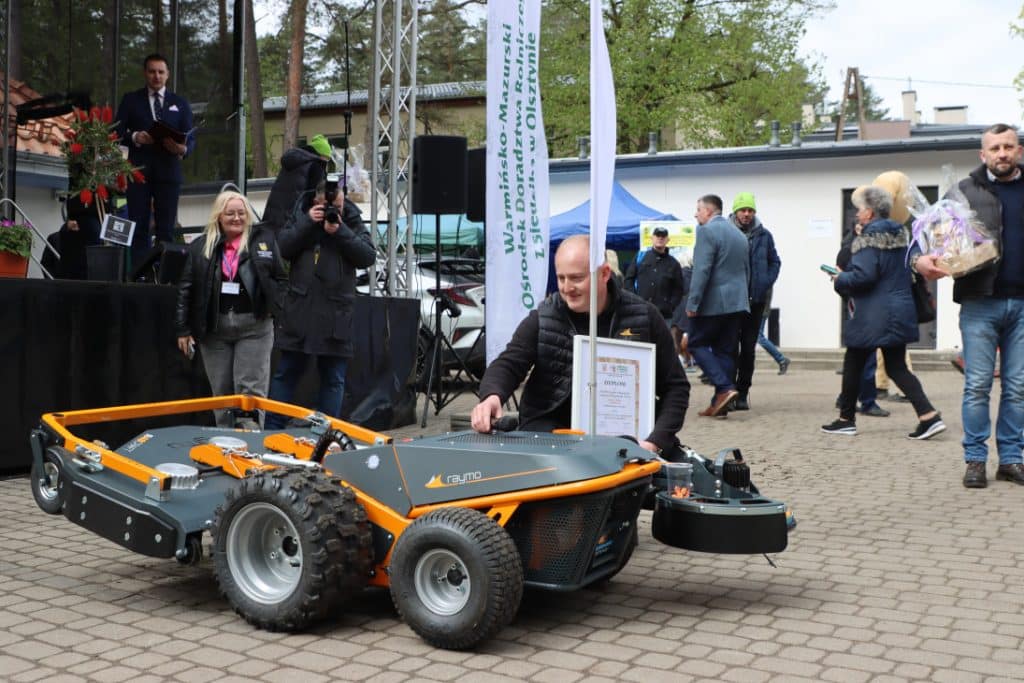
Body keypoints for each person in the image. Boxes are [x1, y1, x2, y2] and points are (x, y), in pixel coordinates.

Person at [470, 235, 689, 455]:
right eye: (561, 278)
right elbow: (510, 362)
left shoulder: (645, 316)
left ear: (604, 273)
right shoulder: (545, 316)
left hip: (629, 445)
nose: (567, 288)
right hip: (550, 439)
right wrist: (492, 396)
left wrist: (655, 441)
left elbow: (676, 387)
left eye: (576, 278)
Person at [914, 123, 1024, 488]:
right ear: (983, 154)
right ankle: (975, 460)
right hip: (980, 303)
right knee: (977, 385)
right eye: (995, 148)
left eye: (1008, 146)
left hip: (1023, 306)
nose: (1002, 153)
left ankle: (1011, 459)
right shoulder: (962, 191)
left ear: (1019, 150)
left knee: (1018, 388)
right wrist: (920, 260)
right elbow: (928, 235)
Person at [822, 185, 944, 439]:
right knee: (896, 366)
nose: (857, 214)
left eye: (859, 209)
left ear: (869, 212)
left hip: (873, 314)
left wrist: (840, 278)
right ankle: (928, 416)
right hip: (898, 310)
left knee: (854, 362)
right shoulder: (902, 234)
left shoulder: (868, 239)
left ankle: (846, 419)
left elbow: (864, 276)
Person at [265, 179, 377, 428]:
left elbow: (368, 256)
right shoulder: (301, 213)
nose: (335, 209)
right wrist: (307, 222)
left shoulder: (351, 219)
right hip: (300, 311)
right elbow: (282, 247)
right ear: (316, 201)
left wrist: (340, 231)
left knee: (333, 378)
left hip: (336, 315)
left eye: (339, 205)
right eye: (328, 206)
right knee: (286, 373)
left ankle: (325, 433)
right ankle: (271, 430)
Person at [175, 191, 285, 428]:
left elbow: (281, 279)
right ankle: (228, 442)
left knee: (250, 394)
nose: (237, 218)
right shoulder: (200, 246)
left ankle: (250, 441)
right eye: (230, 213)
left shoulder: (263, 241)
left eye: (241, 213)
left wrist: (274, 308)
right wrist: (183, 329)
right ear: (219, 216)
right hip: (214, 330)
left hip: (254, 328)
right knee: (222, 395)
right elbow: (186, 288)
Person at [116, 53, 195, 269]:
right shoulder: (131, 100)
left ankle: (163, 276)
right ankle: (140, 275)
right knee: (139, 227)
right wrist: (135, 137)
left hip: (168, 173)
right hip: (139, 173)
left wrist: (182, 149)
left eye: (161, 72)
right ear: (145, 73)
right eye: (152, 71)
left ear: (168, 74)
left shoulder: (179, 103)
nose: (156, 76)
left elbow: (190, 137)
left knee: (166, 229)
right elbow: (116, 131)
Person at [686, 194, 750, 417]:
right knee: (725, 351)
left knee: (696, 344)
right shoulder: (739, 234)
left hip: (713, 302)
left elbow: (701, 270)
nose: (696, 214)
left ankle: (724, 388)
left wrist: (693, 302)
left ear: (708, 211)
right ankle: (720, 404)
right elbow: (746, 271)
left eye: (698, 210)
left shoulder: (706, 231)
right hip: (737, 302)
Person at [729, 192, 781, 411]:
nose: (747, 214)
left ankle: (742, 393)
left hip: (756, 302)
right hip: (731, 302)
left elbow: (775, 261)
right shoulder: (727, 233)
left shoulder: (764, 235)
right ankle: (727, 392)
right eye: (743, 210)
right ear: (736, 212)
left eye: (750, 210)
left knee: (748, 350)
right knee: (730, 348)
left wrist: (765, 282)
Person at [262, 134, 332, 232]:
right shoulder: (316, 166)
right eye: (327, 158)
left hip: (274, 218)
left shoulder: (293, 161)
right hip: (294, 221)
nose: (326, 162)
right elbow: (314, 197)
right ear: (321, 154)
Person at [623, 226, 685, 324]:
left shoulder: (674, 263)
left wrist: (670, 306)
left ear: (668, 240)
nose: (660, 238)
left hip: (663, 316)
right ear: (652, 238)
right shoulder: (641, 257)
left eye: (663, 236)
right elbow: (628, 280)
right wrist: (634, 300)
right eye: (657, 235)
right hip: (641, 311)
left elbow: (679, 289)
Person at [757, 288, 790, 374]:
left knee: (759, 337)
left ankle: (782, 359)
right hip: (758, 311)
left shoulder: (765, 282)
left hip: (760, 312)